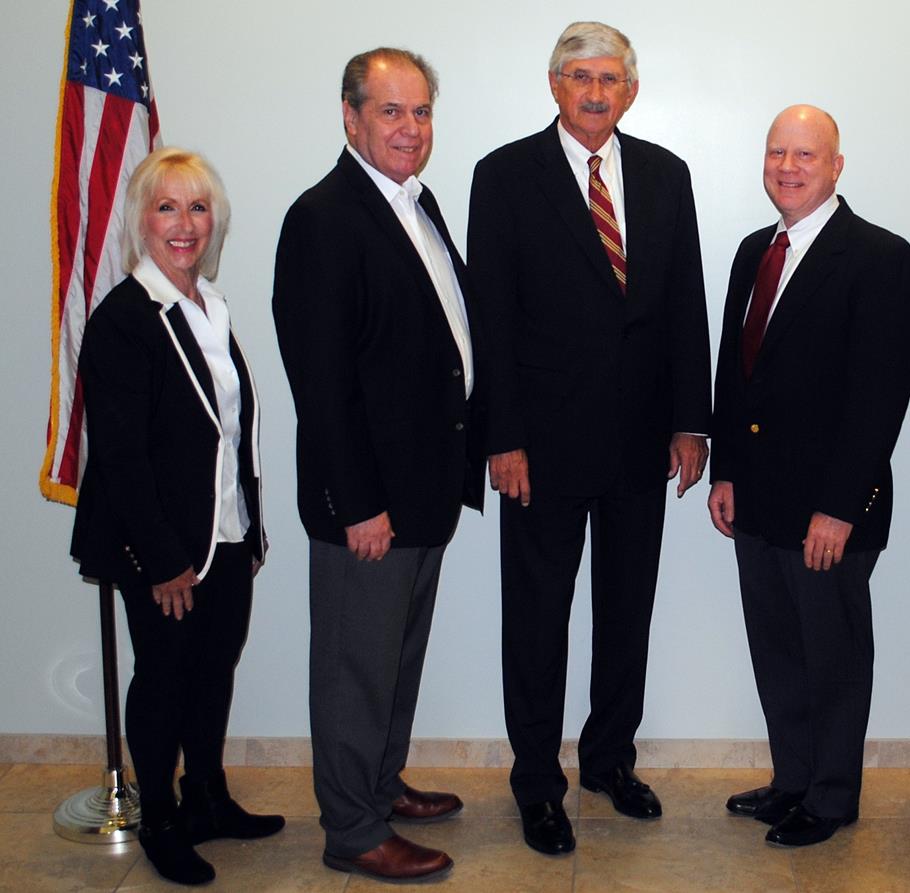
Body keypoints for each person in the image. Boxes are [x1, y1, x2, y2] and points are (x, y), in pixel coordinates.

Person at [468, 21, 711, 855]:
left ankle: (609, 758)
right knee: (537, 618)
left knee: (625, 612)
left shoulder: (664, 174)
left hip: (641, 441)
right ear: (554, 85)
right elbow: (490, 318)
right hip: (539, 446)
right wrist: (502, 437)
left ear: (631, 90)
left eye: (611, 77)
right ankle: (538, 780)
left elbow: (686, 302)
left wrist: (691, 420)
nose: (596, 91)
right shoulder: (502, 176)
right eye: (580, 76)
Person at [272, 47, 483, 883]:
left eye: (421, 111)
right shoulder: (324, 217)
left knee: (396, 658)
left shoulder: (413, 205)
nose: (409, 127)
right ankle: (353, 827)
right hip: (369, 504)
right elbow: (322, 385)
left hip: (423, 491)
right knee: (356, 668)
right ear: (351, 116)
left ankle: (380, 783)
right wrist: (357, 502)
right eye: (391, 111)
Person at [708, 106, 910, 848]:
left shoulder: (880, 257)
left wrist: (839, 509)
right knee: (777, 649)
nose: (788, 167)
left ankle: (831, 796)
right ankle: (793, 778)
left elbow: (880, 397)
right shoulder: (751, 251)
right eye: (777, 153)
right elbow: (733, 374)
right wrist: (727, 470)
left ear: (836, 166)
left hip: (827, 509)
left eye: (806, 154)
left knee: (831, 657)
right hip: (759, 500)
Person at [70, 147, 284, 885]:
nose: (184, 223)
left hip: (222, 533)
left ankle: (209, 799)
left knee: (212, 669)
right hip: (161, 545)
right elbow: (123, 456)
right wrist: (164, 559)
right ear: (141, 221)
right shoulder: (126, 318)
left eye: (197, 208)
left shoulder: (208, 305)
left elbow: (227, 431)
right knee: (164, 675)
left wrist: (248, 527)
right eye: (168, 207)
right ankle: (159, 816)